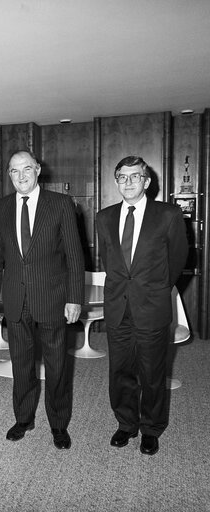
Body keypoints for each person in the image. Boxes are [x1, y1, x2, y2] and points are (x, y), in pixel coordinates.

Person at [0, 150, 84, 449]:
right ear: (9, 175)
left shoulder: (60, 204)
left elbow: (74, 256)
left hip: (52, 298)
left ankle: (58, 424)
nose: (21, 176)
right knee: (21, 364)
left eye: (26, 169)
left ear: (38, 169)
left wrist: (74, 298)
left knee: (56, 367)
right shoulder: (1, 207)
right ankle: (24, 419)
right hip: (15, 300)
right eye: (14, 171)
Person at [96, 155, 188, 456]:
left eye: (135, 176)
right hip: (117, 308)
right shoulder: (104, 217)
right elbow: (109, 262)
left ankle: (151, 428)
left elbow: (178, 260)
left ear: (147, 181)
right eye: (122, 176)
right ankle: (126, 424)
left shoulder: (169, 215)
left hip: (152, 307)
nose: (128, 182)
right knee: (120, 370)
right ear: (116, 181)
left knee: (152, 373)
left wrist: (157, 288)